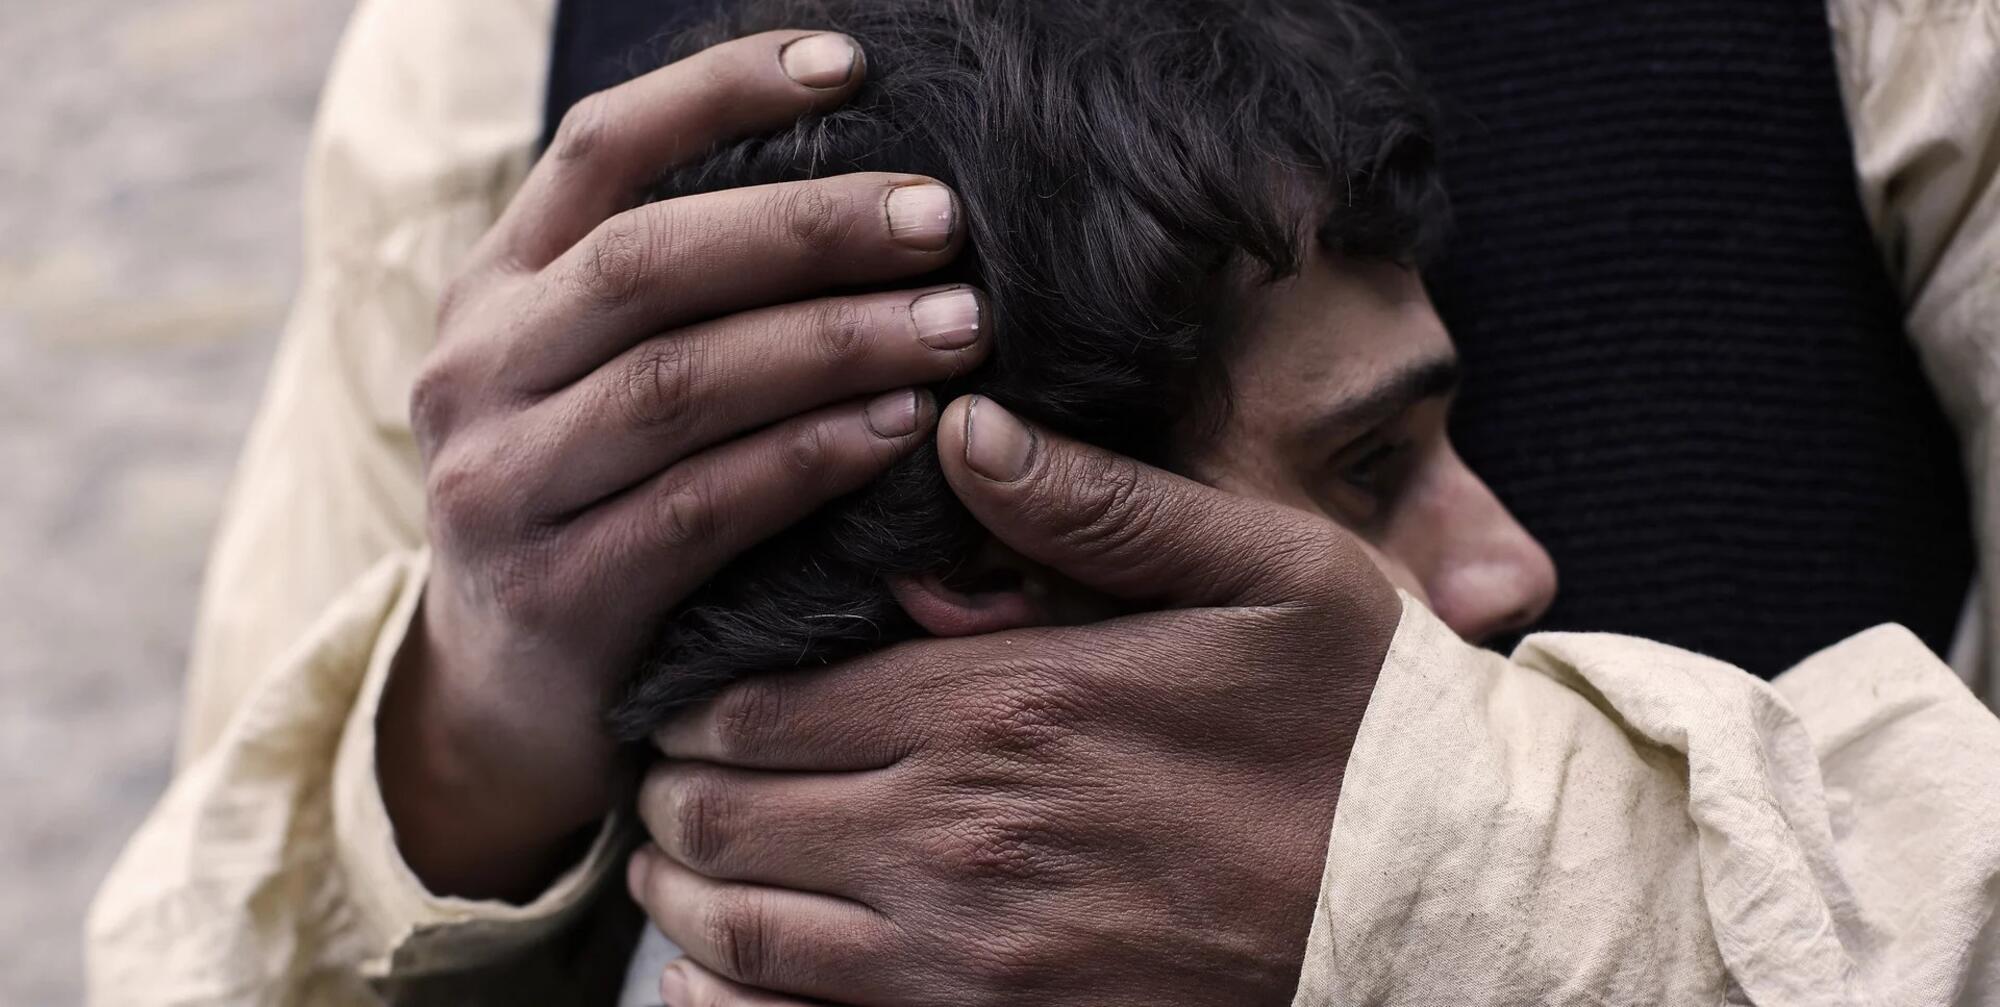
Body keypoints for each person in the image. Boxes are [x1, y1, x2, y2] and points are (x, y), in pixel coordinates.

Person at [84, 2, 2000, 1006]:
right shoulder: (479, 57)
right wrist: (468, 740)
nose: (1516, 569)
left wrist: (1483, 879)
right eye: (1365, 461)